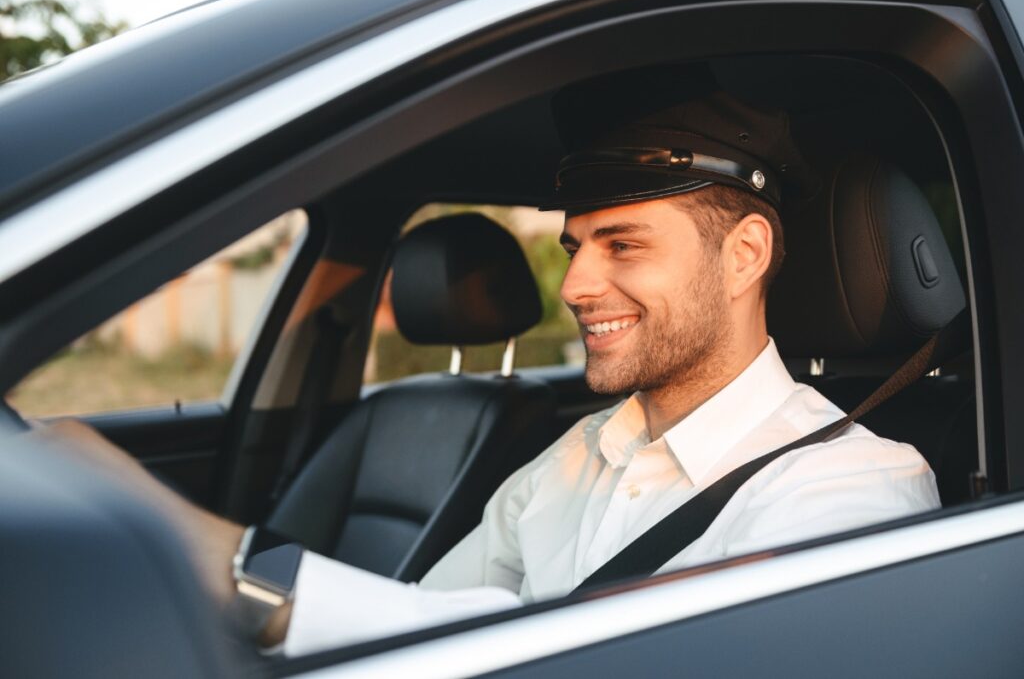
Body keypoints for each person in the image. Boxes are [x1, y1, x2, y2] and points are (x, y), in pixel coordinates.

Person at [40, 66, 940, 656]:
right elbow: (423, 639)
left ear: (744, 256)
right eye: (575, 245)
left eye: (622, 244)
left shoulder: (855, 494)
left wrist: (226, 563)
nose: (577, 284)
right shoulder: (575, 454)